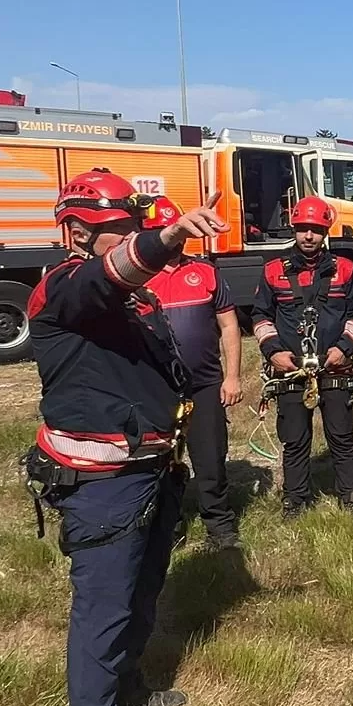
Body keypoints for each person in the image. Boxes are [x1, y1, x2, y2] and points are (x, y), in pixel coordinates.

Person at [23, 168, 227, 706]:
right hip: (102, 486)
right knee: (104, 606)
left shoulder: (133, 300)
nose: (133, 236)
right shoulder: (65, 290)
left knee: (141, 593)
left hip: (149, 473)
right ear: (77, 233)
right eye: (119, 228)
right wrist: (164, 239)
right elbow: (109, 275)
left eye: (136, 226)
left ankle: (127, 687)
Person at [252, 196, 353, 518]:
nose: (308, 236)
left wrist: (345, 347)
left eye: (315, 230)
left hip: (335, 365)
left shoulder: (345, 270)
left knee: (342, 436)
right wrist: (274, 351)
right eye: (303, 229)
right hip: (290, 369)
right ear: (295, 229)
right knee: (295, 439)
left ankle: (350, 496)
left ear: (325, 231)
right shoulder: (273, 271)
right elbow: (261, 316)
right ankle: (295, 500)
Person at [142, 197, 244, 551]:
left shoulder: (205, 272)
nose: (177, 241)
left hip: (204, 385)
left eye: (184, 233)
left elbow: (230, 326)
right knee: (157, 461)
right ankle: (165, 525)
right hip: (154, 388)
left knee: (210, 456)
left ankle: (219, 524)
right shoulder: (139, 278)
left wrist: (232, 377)